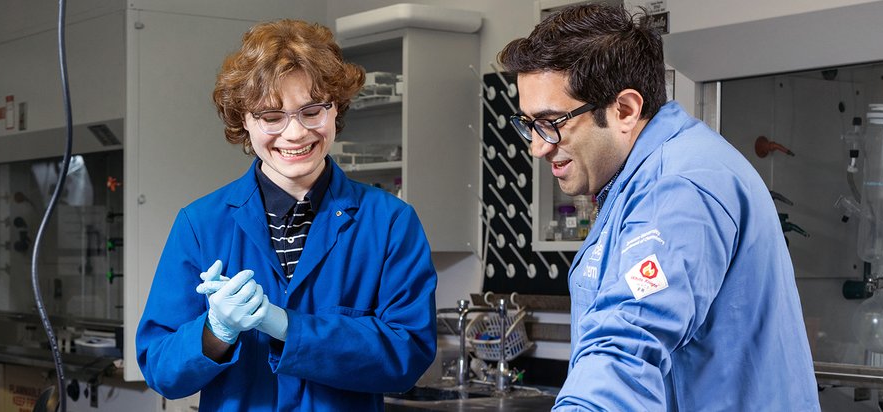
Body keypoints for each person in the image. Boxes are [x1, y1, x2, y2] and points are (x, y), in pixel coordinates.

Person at [499, 4, 819, 411]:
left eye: (550, 122)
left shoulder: (678, 188)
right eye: (528, 124)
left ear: (625, 110)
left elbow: (626, 344)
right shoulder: (641, 182)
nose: (537, 146)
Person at [135, 19, 437, 411]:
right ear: (244, 120)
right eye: (271, 116)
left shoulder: (390, 222)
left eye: (312, 111)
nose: (295, 134)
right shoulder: (201, 224)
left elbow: (407, 354)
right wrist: (215, 331)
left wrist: (287, 327)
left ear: (336, 110)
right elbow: (161, 369)